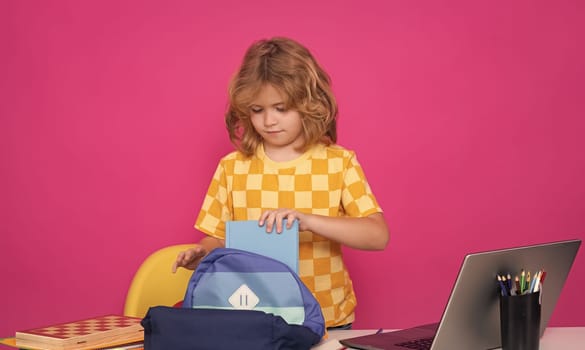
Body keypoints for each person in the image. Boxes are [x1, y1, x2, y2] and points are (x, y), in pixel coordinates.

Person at [173, 37, 389, 329]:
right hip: (254, 318)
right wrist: (202, 252)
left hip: (327, 317)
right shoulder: (232, 168)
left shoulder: (339, 162)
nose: (269, 121)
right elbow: (220, 239)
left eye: (281, 108)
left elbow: (377, 235)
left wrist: (309, 221)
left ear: (308, 103)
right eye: (257, 110)